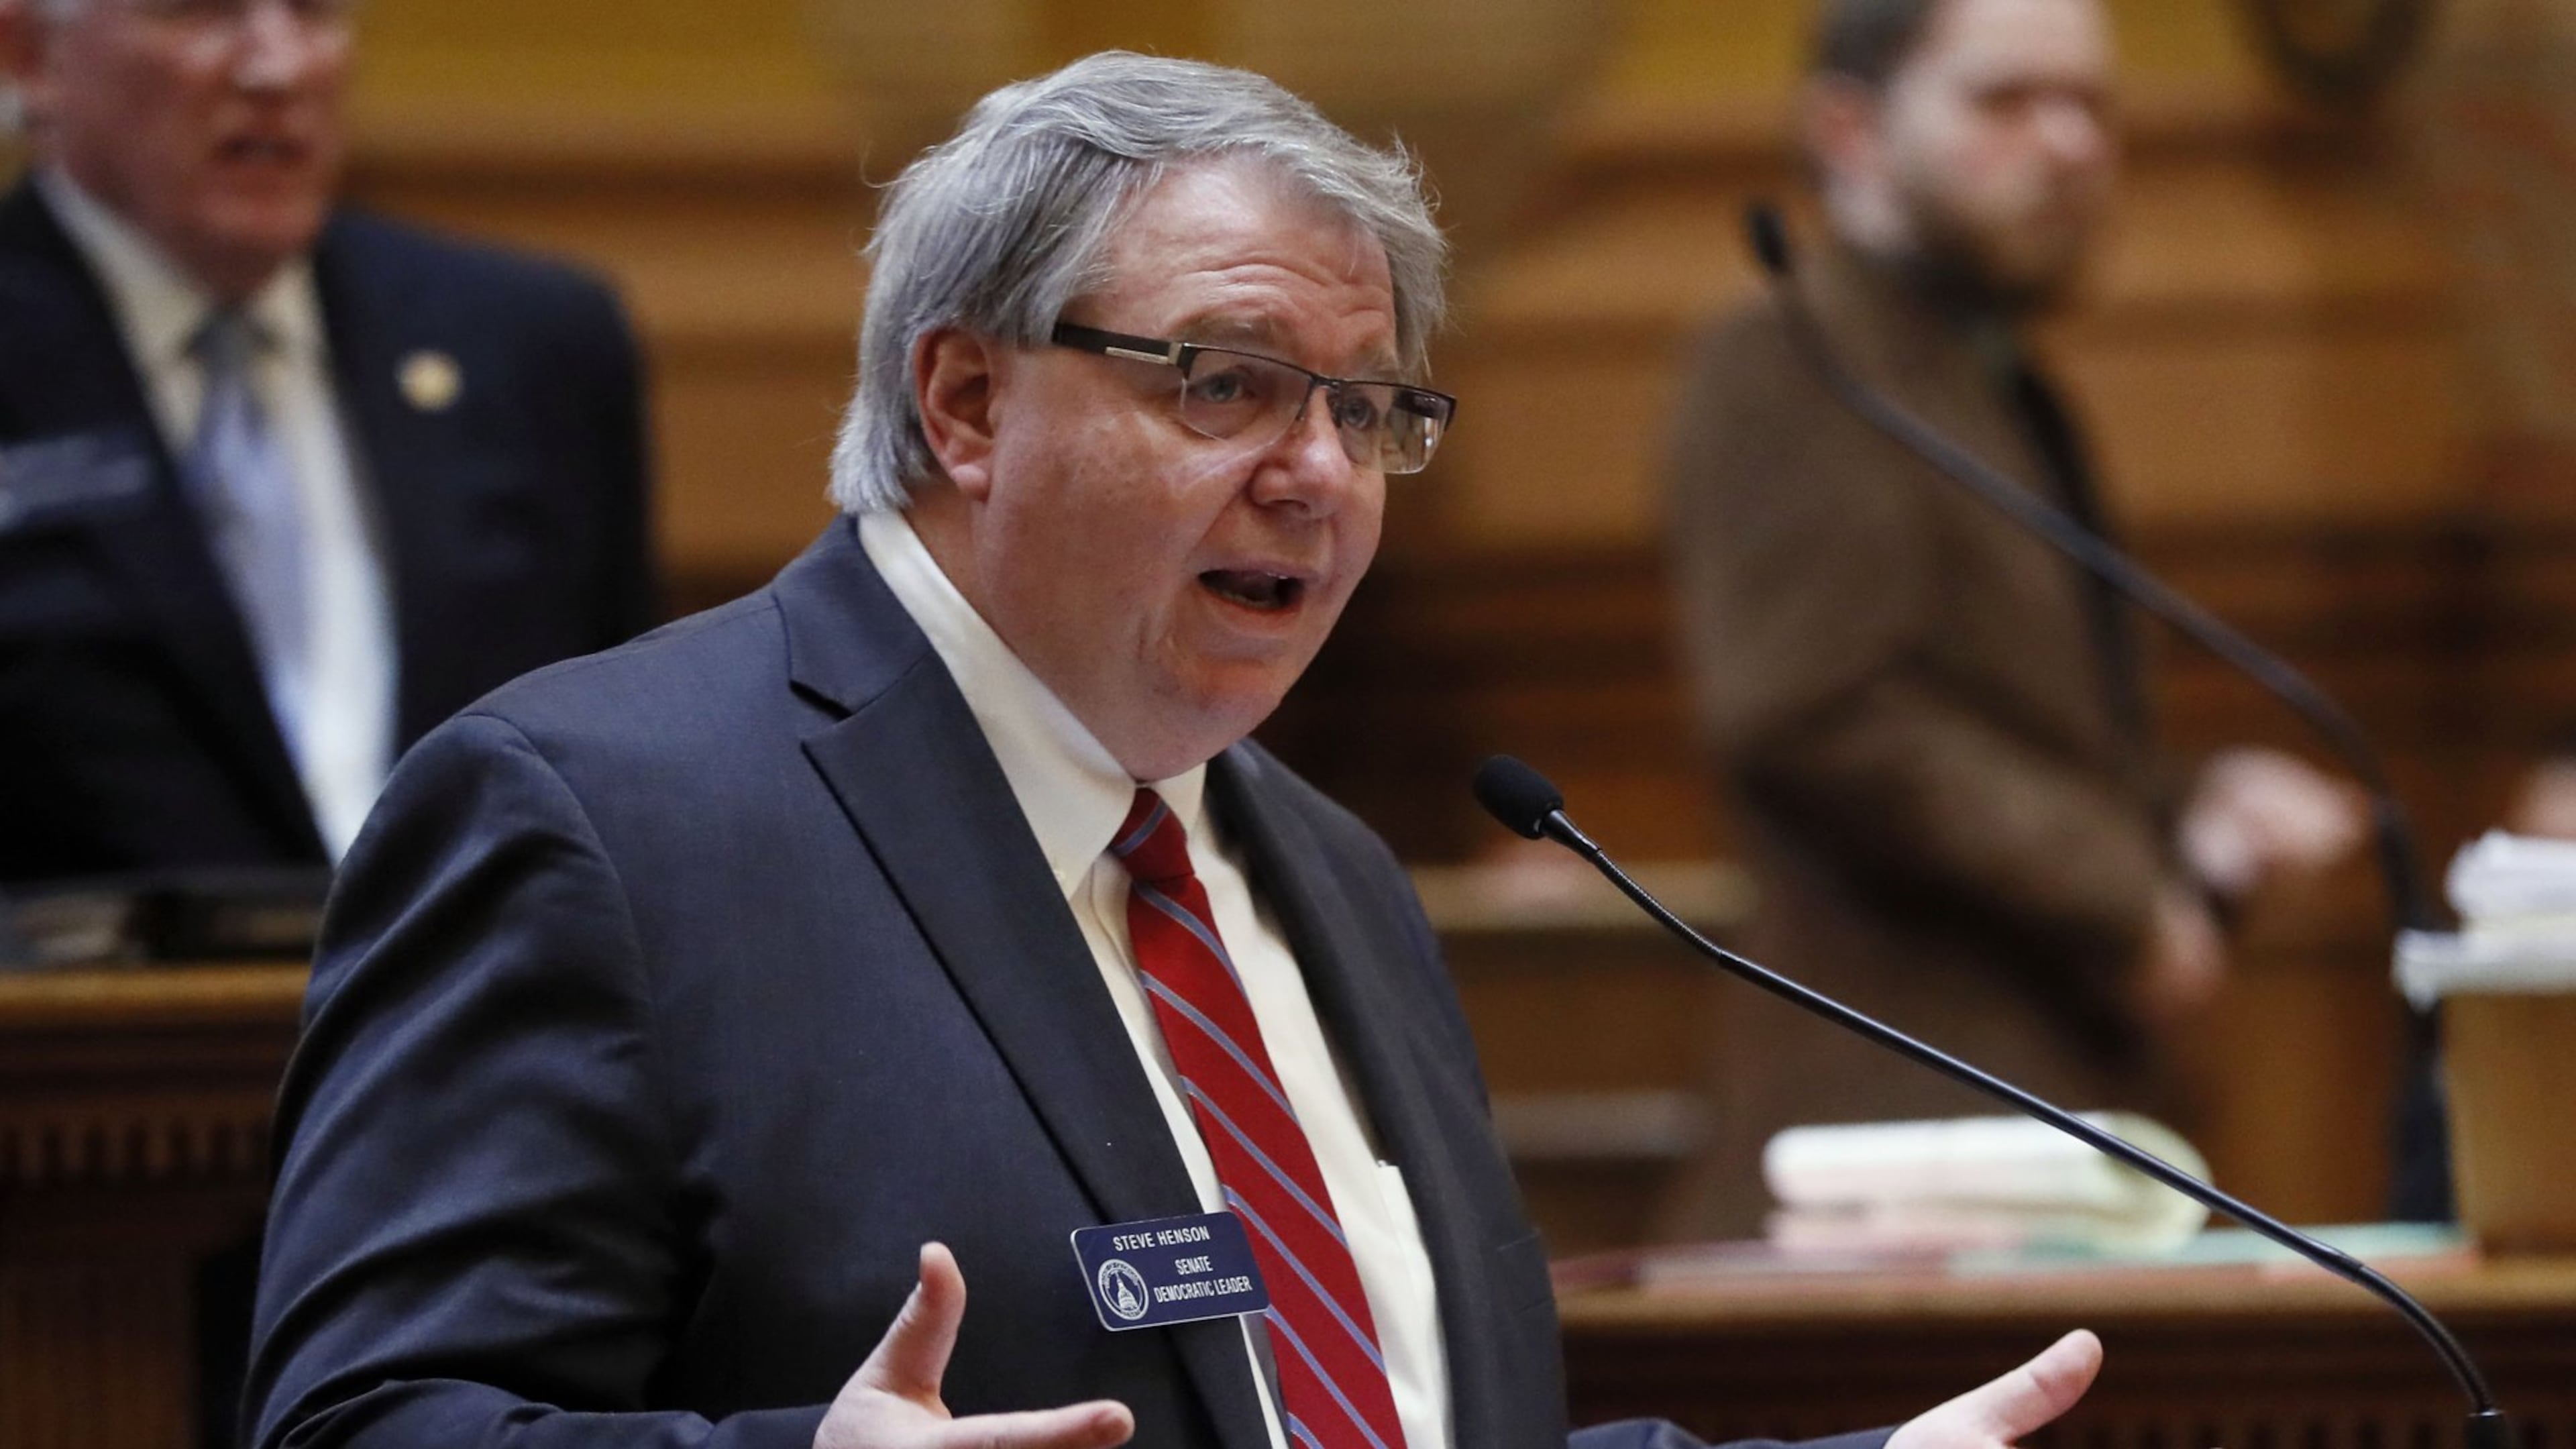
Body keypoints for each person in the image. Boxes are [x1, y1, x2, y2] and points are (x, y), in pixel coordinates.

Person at [248, 50, 2110, 1449]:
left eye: (1370, 408)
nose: (1318, 472)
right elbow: (366, 1422)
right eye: (1225, 383)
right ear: (968, 399)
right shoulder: (600, 823)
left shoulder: (1331, 878)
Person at [1658, 0, 2365, 1238]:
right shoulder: (1792, 359)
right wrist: (2123, 896)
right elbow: (1812, 712)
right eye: (2006, 101)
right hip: (1898, 1123)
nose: (2072, 144)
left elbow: (1997, 721)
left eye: (2092, 104)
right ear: (1852, 131)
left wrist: (2187, 810)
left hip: (2038, 1102)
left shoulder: (1990, 378)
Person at [0, 0, 655, 882]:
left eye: (314, 12)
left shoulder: (531, 342)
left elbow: (622, 768)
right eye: (201, 12)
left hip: (483, 1005)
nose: (278, 66)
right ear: (30, 54)